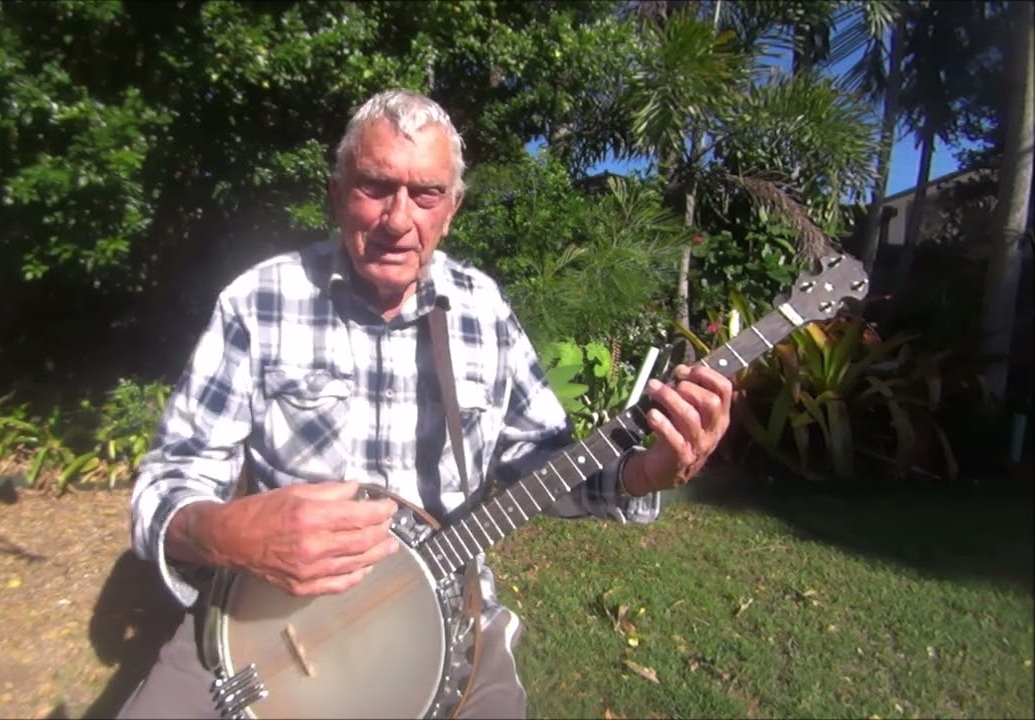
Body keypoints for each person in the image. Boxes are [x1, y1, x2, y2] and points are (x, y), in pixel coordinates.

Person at [120, 88, 734, 719]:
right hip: (262, 622)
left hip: (450, 622)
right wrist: (224, 532)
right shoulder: (260, 302)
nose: (398, 219)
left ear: (452, 208)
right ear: (337, 193)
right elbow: (166, 483)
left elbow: (540, 462)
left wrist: (645, 472)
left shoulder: (484, 311)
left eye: (426, 194)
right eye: (375, 186)